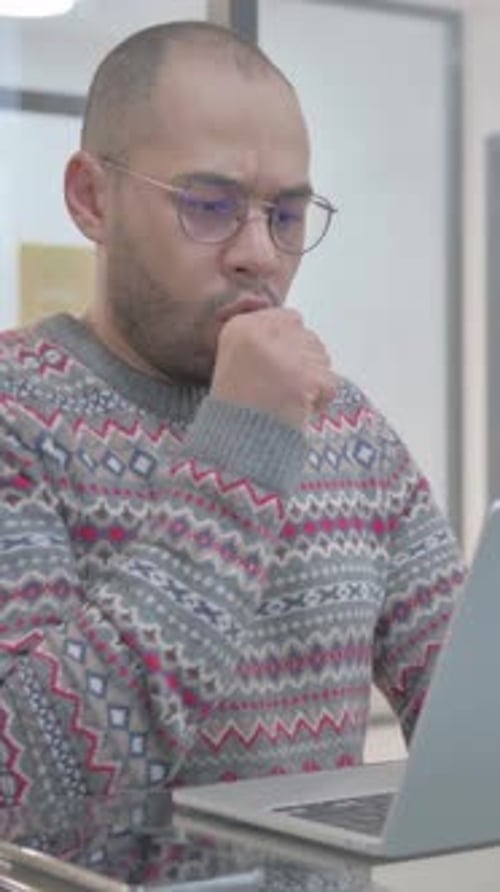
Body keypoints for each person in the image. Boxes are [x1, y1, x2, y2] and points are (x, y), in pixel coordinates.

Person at [0, 21, 465, 811]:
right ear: (91, 198)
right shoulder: (19, 414)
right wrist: (243, 447)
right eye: (209, 205)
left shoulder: (347, 427)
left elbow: (465, 718)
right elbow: (26, 794)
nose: (260, 254)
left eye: (286, 216)